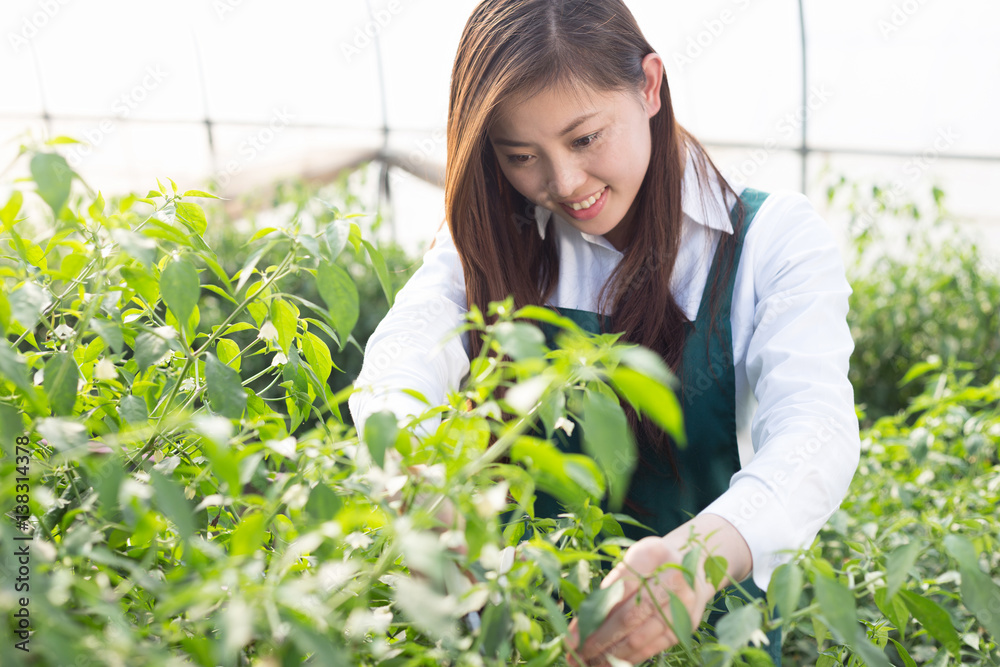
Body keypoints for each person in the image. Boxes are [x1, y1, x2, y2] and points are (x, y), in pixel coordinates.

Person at [348, 0, 861, 665]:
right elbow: (401, 359)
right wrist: (415, 474)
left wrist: (696, 557)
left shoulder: (770, 240)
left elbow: (816, 433)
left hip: (701, 638)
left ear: (649, 86)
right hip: (522, 634)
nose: (563, 183)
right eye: (521, 155)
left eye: (586, 138)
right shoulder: (497, 235)